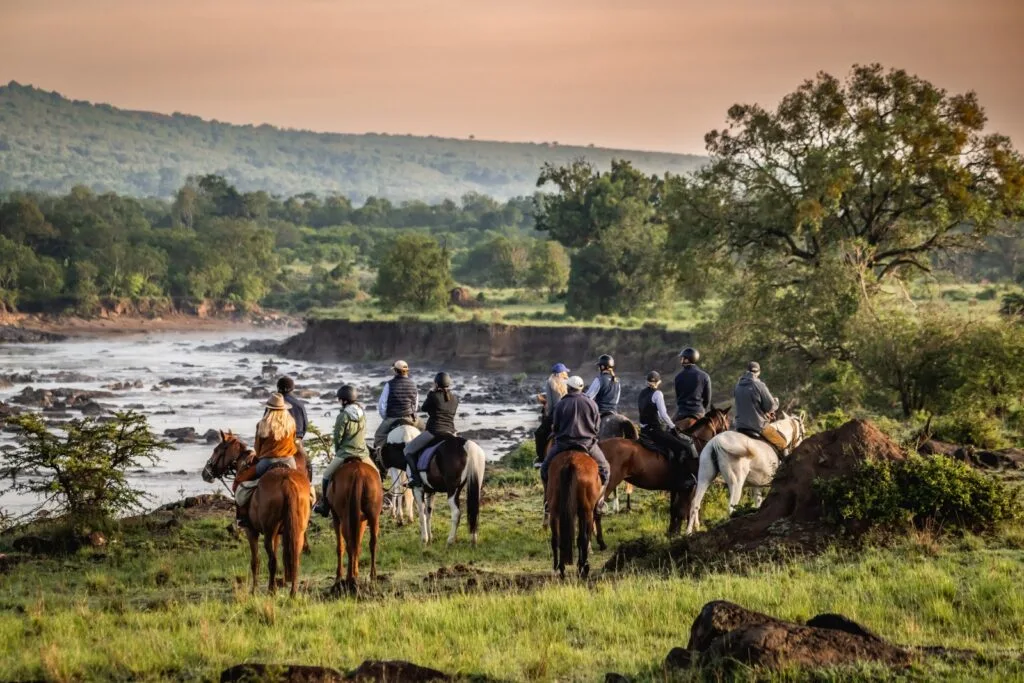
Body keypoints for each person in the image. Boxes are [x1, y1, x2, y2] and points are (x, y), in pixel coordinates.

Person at [540, 375, 610, 507]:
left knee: (544, 469)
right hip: (587, 444)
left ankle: (548, 501)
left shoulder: (561, 404)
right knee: (606, 469)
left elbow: (556, 427)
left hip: (563, 444)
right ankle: (599, 502)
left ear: (568, 388)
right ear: (581, 388)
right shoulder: (592, 404)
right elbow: (596, 427)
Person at [233, 393, 299, 527]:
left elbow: (258, 449)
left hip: (268, 462)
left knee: (239, 481)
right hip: (289, 461)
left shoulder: (262, 424)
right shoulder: (291, 423)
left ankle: (243, 516)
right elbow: (293, 441)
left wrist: (255, 454)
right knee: (302, 482)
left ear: (269, 408)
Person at [313, 385, 375, 517]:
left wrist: (338, 450)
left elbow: (337, 436)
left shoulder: (343, 415)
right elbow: (364, 433)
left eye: (339, 399)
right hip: (362, 452)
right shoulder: (362, 413)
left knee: (326, 476)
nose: (339, 401)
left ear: (344, 400)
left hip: (345, 452)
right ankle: (378, 504)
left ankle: (325, 506)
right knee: (376, 473)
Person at [403, 372, 460, 488]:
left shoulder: (433, 396)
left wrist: (431, 393)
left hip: (434, 431)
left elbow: (424, 408)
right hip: (451, 432)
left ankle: (415, 478)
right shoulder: (455, 398)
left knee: (408, 450)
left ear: (436, 383)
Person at [638, 371, 699, 463]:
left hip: (643, 431)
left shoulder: (642, 393)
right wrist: (673, 427)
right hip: (655, 431)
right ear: (658, 382)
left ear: (647, 381)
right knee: (683, 446)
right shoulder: (658, 394)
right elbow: (663, 415)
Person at [733, 361, 788, 451]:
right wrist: (776, 402)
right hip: (757, 425)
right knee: (782, 443)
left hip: (739, 425)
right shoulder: (759, 385)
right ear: (759, 372)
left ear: (747, 371)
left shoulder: (737, 386)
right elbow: (770, 406)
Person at [372, 360, 419, 464]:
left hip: (392, 418)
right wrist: (412, 415)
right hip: (410, 417)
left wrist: (386, 418)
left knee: (378, 437)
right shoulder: (413, 384)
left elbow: (382, 405)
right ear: (406, 371)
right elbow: (415, 405)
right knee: (424, 431)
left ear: (395, 371)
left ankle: (378, 458)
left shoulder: (389, 384)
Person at [277, 376, 311, 483]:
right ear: (292, 388)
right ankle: (309, 487)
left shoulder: (274, 404)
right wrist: (299, 438)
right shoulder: (299, 404)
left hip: (278, 443)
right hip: (296, 442)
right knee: (308, 465)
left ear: (278, 388)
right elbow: (305, 426)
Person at [534, 363, 570, 466]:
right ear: (562, 373)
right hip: (569, 412)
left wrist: (548, 415)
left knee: (539, 434)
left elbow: (550, 403)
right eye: (565, 371)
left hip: (556, 413)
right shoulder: (568, 382)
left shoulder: (550, 382)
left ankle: (541, 459)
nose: (566, 373)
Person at [673, 347, 712, 431]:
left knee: (669, 429)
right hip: (698, 412)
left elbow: (678, 397)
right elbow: (707, 399)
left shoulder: (678, 377)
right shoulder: (705, 376)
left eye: (682, 358)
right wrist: (702, 409)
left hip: (682, 412)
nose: (681, 360)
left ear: (687, 360)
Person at [585, 354, 622, 432]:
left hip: (601, 412)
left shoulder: (599, 379)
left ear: (602, 367)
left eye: (599, 366)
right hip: (614, 412)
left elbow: (588, 397)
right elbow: (617, 400)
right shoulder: (617, 381)